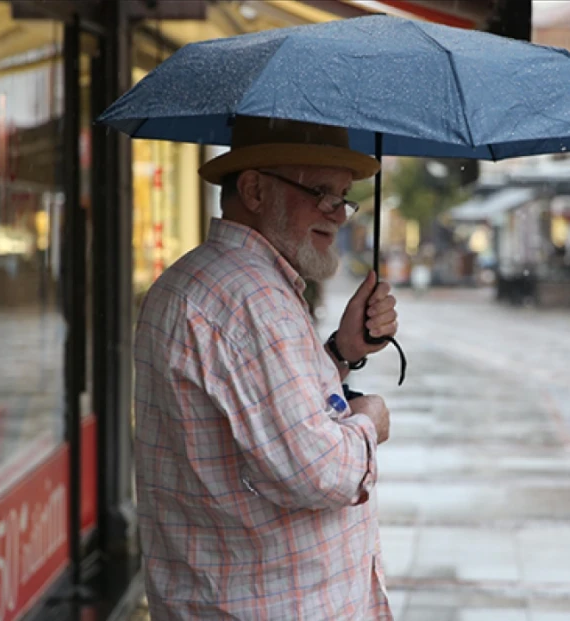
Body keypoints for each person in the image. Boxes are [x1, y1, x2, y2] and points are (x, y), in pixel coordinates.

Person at [133, 117, 399, 620]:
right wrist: (371, 424)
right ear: (253, 189)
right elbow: (315, 472)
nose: (338, 214)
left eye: (343, 196)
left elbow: (256, 415)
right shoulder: (252, 300)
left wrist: (341, 352)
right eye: (320, 191)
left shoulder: (197, 279)